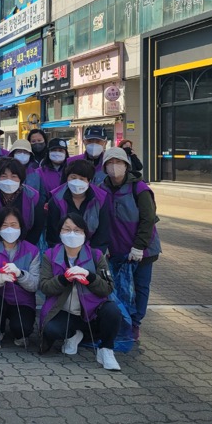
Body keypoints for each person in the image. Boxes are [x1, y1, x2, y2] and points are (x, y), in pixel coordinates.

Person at [39, 213, 122, 371]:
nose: (72, 234)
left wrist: (90, 277)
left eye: (77, 230)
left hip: (91, 312)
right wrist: (64, 278)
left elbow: (107, 288)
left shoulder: (96, 255)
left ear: (85, 233)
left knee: (113, 312)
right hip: (64, 311)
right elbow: (44, 286)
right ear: (59, 233)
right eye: (67, 229)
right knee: (50, 329)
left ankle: (106, 350)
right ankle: (72, 335)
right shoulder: (49, 255)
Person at [100, 147, 160, 341]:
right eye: (110, 163)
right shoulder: (102, 189)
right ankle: (121, 322)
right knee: (119, 288)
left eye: (119, 162)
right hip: (117, 249)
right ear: (104, 167)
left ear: (126, 165)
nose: (114, 167)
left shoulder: (139, 189)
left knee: (141, 287)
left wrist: (139, 246)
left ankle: (135, 323)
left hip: (142, 250)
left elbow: (148, 219)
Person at [0, 208, 40, 350]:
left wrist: (20, 274)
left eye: (14, 225)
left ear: (21, 227)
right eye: (4, 225)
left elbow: (35, 284)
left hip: (22, 301)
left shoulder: (32, 250)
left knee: (22, 330)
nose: (9, 229)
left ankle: (17, 330)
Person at [46, 159, 111, 251]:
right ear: (67, 178)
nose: (77, 181)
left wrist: (93, 256)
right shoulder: (56, 199)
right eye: (73, 177)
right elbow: (53, 234)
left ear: (89, 181)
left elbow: (102, 233)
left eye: (82, 179)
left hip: (92, 251)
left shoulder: (100, 199)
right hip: (63, 251)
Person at [0, 157, 44, 246]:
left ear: (20, 178)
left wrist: (25, 248)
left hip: (25, 246)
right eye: (4, 176)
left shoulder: (33, 197)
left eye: (14, 176)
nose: (9, 180)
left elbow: (37, 227)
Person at [8, 139, 47, 204]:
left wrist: (36, 206)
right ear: (13, 154)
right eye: (19, 151)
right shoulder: (6, 173)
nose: (22, 154)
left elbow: (42, 194)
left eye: (26, 152)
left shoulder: (36, 174)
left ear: (30, 155)